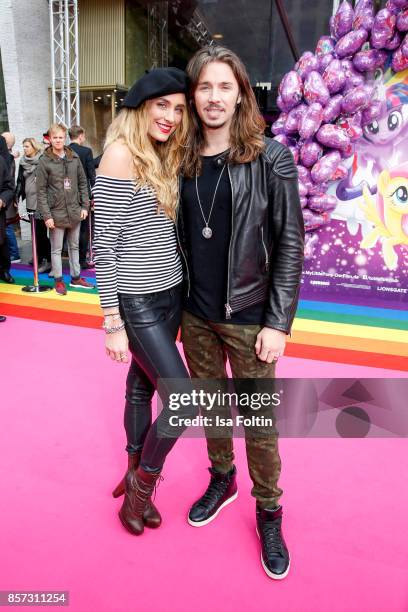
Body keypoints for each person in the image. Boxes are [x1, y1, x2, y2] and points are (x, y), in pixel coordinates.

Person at [179, 46, 304, 579]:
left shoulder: (270, 157)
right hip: (193, 314)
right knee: (209, 408)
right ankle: (222, 477)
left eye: (224, 87)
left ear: (240, 93)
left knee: (259, 424)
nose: (214, 97)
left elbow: (290, 243)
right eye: (205, 87)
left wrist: (278, 322)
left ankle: (270, 511)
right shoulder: (177, 157)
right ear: (193, 95)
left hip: (249, 315)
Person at [93, 68, 193, 536]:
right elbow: (105, 247)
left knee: (141, 388)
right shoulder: (119, 154)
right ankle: (141, 489)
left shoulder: (161, 154)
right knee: (185, 398)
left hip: (170, 293)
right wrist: (112, 321)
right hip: (137, 304)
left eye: (178, 108)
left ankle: (132, 472)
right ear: (141, 105)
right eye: (162, 105)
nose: (171, 116)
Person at [36, 124, 94, 295]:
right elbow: (41, 191)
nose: (58, 140)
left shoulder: (74, 156)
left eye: (61, 137)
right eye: (55, 138)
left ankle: (76, 278)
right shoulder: (44, 161)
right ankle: (59, 280)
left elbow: (83, 183)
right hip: (55, 212)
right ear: (50, 139)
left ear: (65, 138)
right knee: (56, 249)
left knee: (74, 247)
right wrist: (47, 215)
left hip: (75, 211)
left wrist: (85, 205)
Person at [15, 138, 51, 273]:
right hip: (30, 202)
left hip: (41, 202)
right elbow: (19, 181)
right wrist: (16, 197)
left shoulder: (42, 160)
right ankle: (39, 256)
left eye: (27, 146)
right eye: (23, 146)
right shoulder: (23, 162)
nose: (25, 149)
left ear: (34, 147)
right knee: (35, 233)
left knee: (41, 234)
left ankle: (48, 260)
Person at [68, 125, 96, 269]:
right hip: (83, 194)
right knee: (84, 228)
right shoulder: (86, 151)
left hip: (67, 194)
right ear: (80, 136)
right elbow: (91, 174)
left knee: (70, 227)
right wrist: (94, 195)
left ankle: (72, 259)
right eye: (83, 136)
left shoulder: (65, 151)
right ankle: (81, 260)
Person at [1, 132, 21, 263]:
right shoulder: (8, 157)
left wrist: (10, 198)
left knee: (6, 227)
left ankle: (14, 253)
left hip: (5, 200)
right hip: (9, 198)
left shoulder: (6, 158)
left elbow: (10, 183)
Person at [0, 135, 15, 284]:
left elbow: (9, 188)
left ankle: (4, 271)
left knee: (2, 242)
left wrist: (2, 199)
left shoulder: (1, 162)